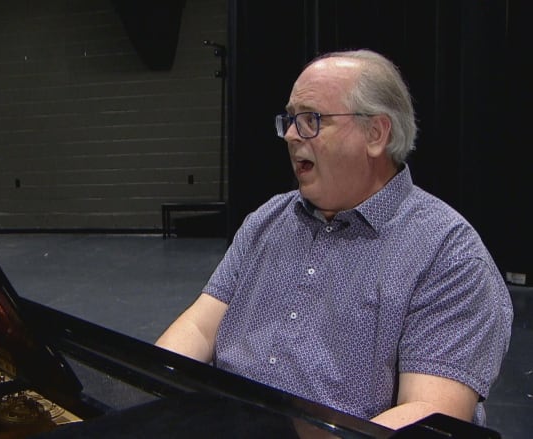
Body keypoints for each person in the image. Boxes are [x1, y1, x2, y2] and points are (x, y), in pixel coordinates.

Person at [155, 49, 513, 430]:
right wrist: (151, 397)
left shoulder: (449, 255)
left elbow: (429, 414)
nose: (291, 135)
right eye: (290, 119)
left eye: (311, 120)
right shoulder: (267, 220)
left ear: (376, 134)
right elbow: (200, 327)